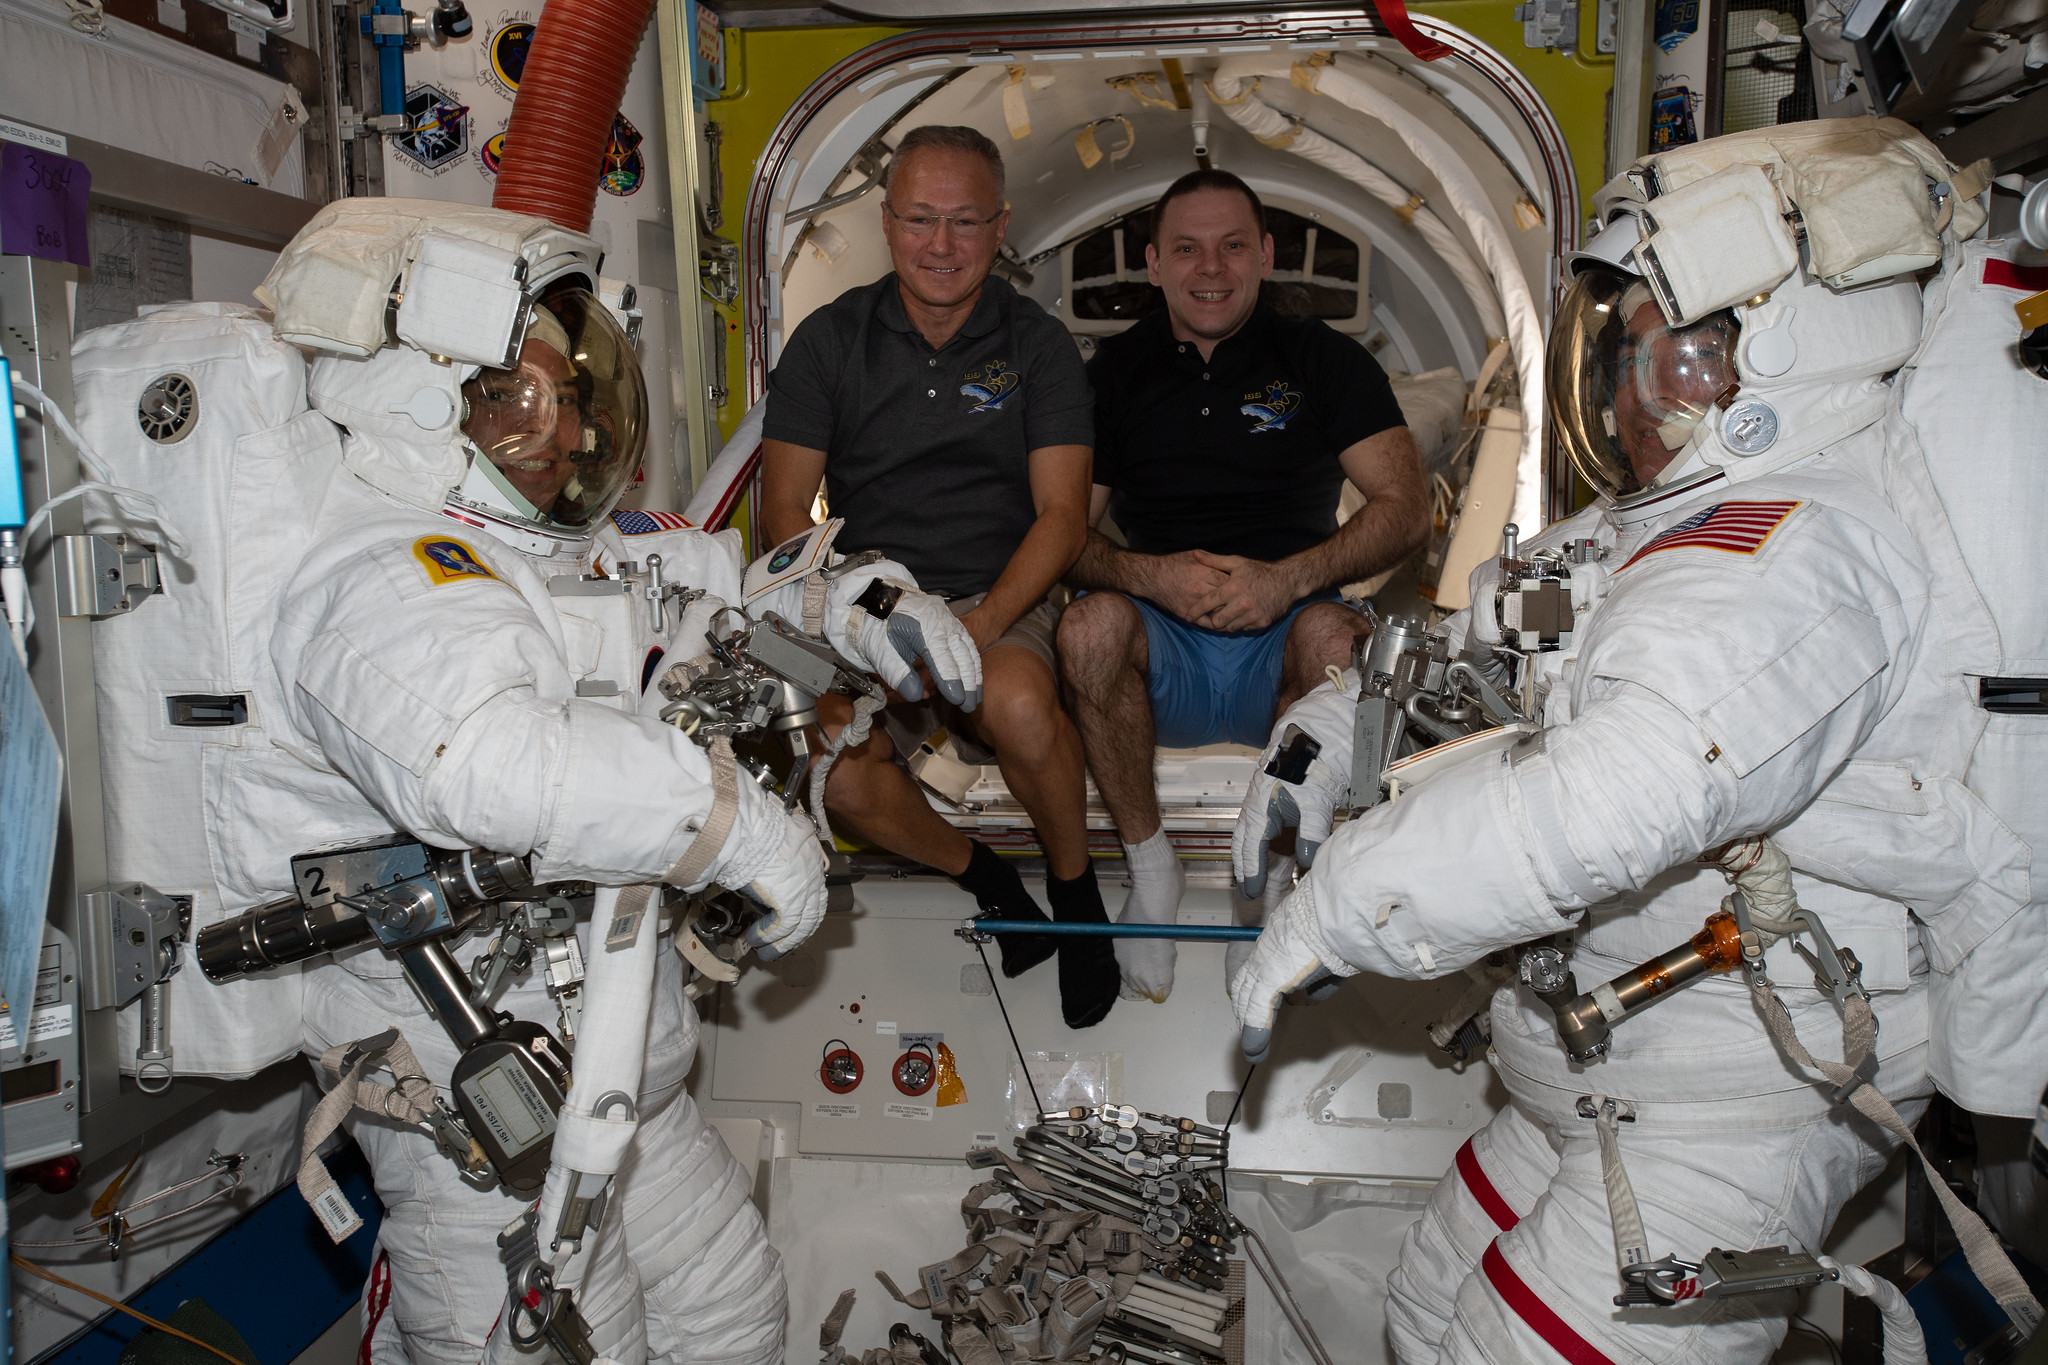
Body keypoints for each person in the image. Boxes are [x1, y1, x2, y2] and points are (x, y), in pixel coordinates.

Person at [79, 197, 983, 1365]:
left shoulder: (539, 553)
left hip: (615, 1088)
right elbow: (487, 762)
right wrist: (737, 833)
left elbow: (697, 611)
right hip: (483, 1132)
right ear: (414, 400)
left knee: (734, 1327)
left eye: (567, 395)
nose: (557, 430)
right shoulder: (377, 575)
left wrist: (844, 606)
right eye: (514, 399)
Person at [1230, 120, 2043, 1363]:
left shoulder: (1795, 552)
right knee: (1417, 1323)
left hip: (1725, 1107)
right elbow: (1465, 660)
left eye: (1649, 360)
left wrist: (1340, 906)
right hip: (1587, 1070)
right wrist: (1314, 746)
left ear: (1753, 357)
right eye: (1612, 356)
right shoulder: (1639, 540)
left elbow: (1617, 791)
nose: (1616, 396)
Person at [760, 124, 1121, 1029]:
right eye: (921, 219)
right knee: (834, 773)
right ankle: (988, 876)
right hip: (865, 602)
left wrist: (977, 625)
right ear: (887, 223)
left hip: (1000, 592)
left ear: (1001, 229)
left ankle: (1078, 904)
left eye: (964, 222)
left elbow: (1064, 519)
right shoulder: (827, 342)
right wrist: (868, 616)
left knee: (1021, 705)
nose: (942, 245)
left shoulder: (1039, 346)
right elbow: (780, 523)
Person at [1057, 169, 1429, 1003]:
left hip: (1284, 639)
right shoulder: (1108, 376)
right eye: (1186, 249)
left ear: (1266, 255)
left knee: (1339, 638)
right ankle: (1151, 869)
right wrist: (1149, 573)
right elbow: (1061, 535)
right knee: (1086, 630)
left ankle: (1262, 889)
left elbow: (1411, 509)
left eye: (1232, 246)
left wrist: (1288, 578)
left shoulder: (1325, 360)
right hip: (1168, 645)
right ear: (1153, 264)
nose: (1211, 268)